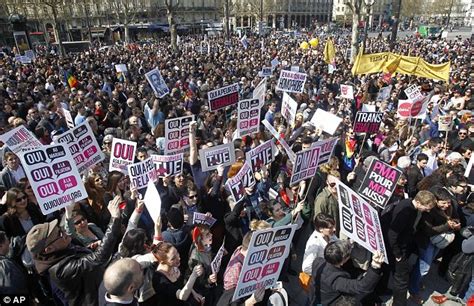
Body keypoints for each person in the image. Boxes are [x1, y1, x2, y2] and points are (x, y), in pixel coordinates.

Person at [25, 195, 122, 306]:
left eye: (60, 229)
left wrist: (69, 213)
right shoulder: (59, 270)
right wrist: (115, 219)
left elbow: (71, 236)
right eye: (60, 234)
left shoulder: (61, 250)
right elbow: (99, 258)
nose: (64, 233)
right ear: (49, 249)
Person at [387, 190, 437, 306]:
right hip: (400, 249)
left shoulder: (409, 205)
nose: (428, 210)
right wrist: (397, 254)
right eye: (427, 207)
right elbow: (392, 234)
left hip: (403, 245)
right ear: (419, 202)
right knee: (402, 280)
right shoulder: (406, 212)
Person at [311, 240, 384, 305]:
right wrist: (375, 267)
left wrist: (349, 242)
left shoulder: (317, 261)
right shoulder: (337, 281)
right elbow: (362, 287)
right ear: (342, 262)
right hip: (334, 301)